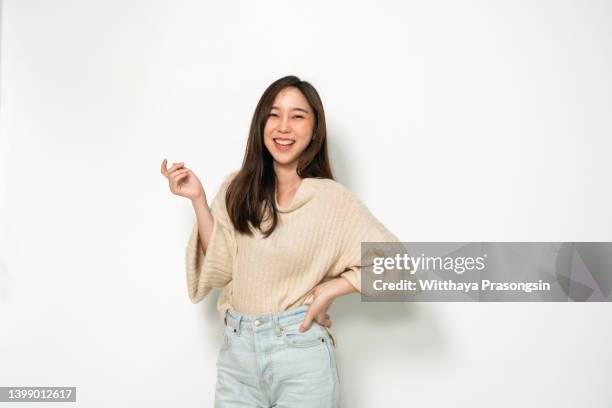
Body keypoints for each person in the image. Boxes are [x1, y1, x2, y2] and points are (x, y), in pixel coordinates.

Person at [160, 75, 399, 407]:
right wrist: (198, 199)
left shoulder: (332, 200)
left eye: (297, 116)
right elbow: (222, 266)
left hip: (300, 356)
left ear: (315, 130)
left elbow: (398, 266)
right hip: (237, 357)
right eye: (274, 114)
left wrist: (331, 288)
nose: (283, 127)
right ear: (261, 124)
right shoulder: (237, 188)